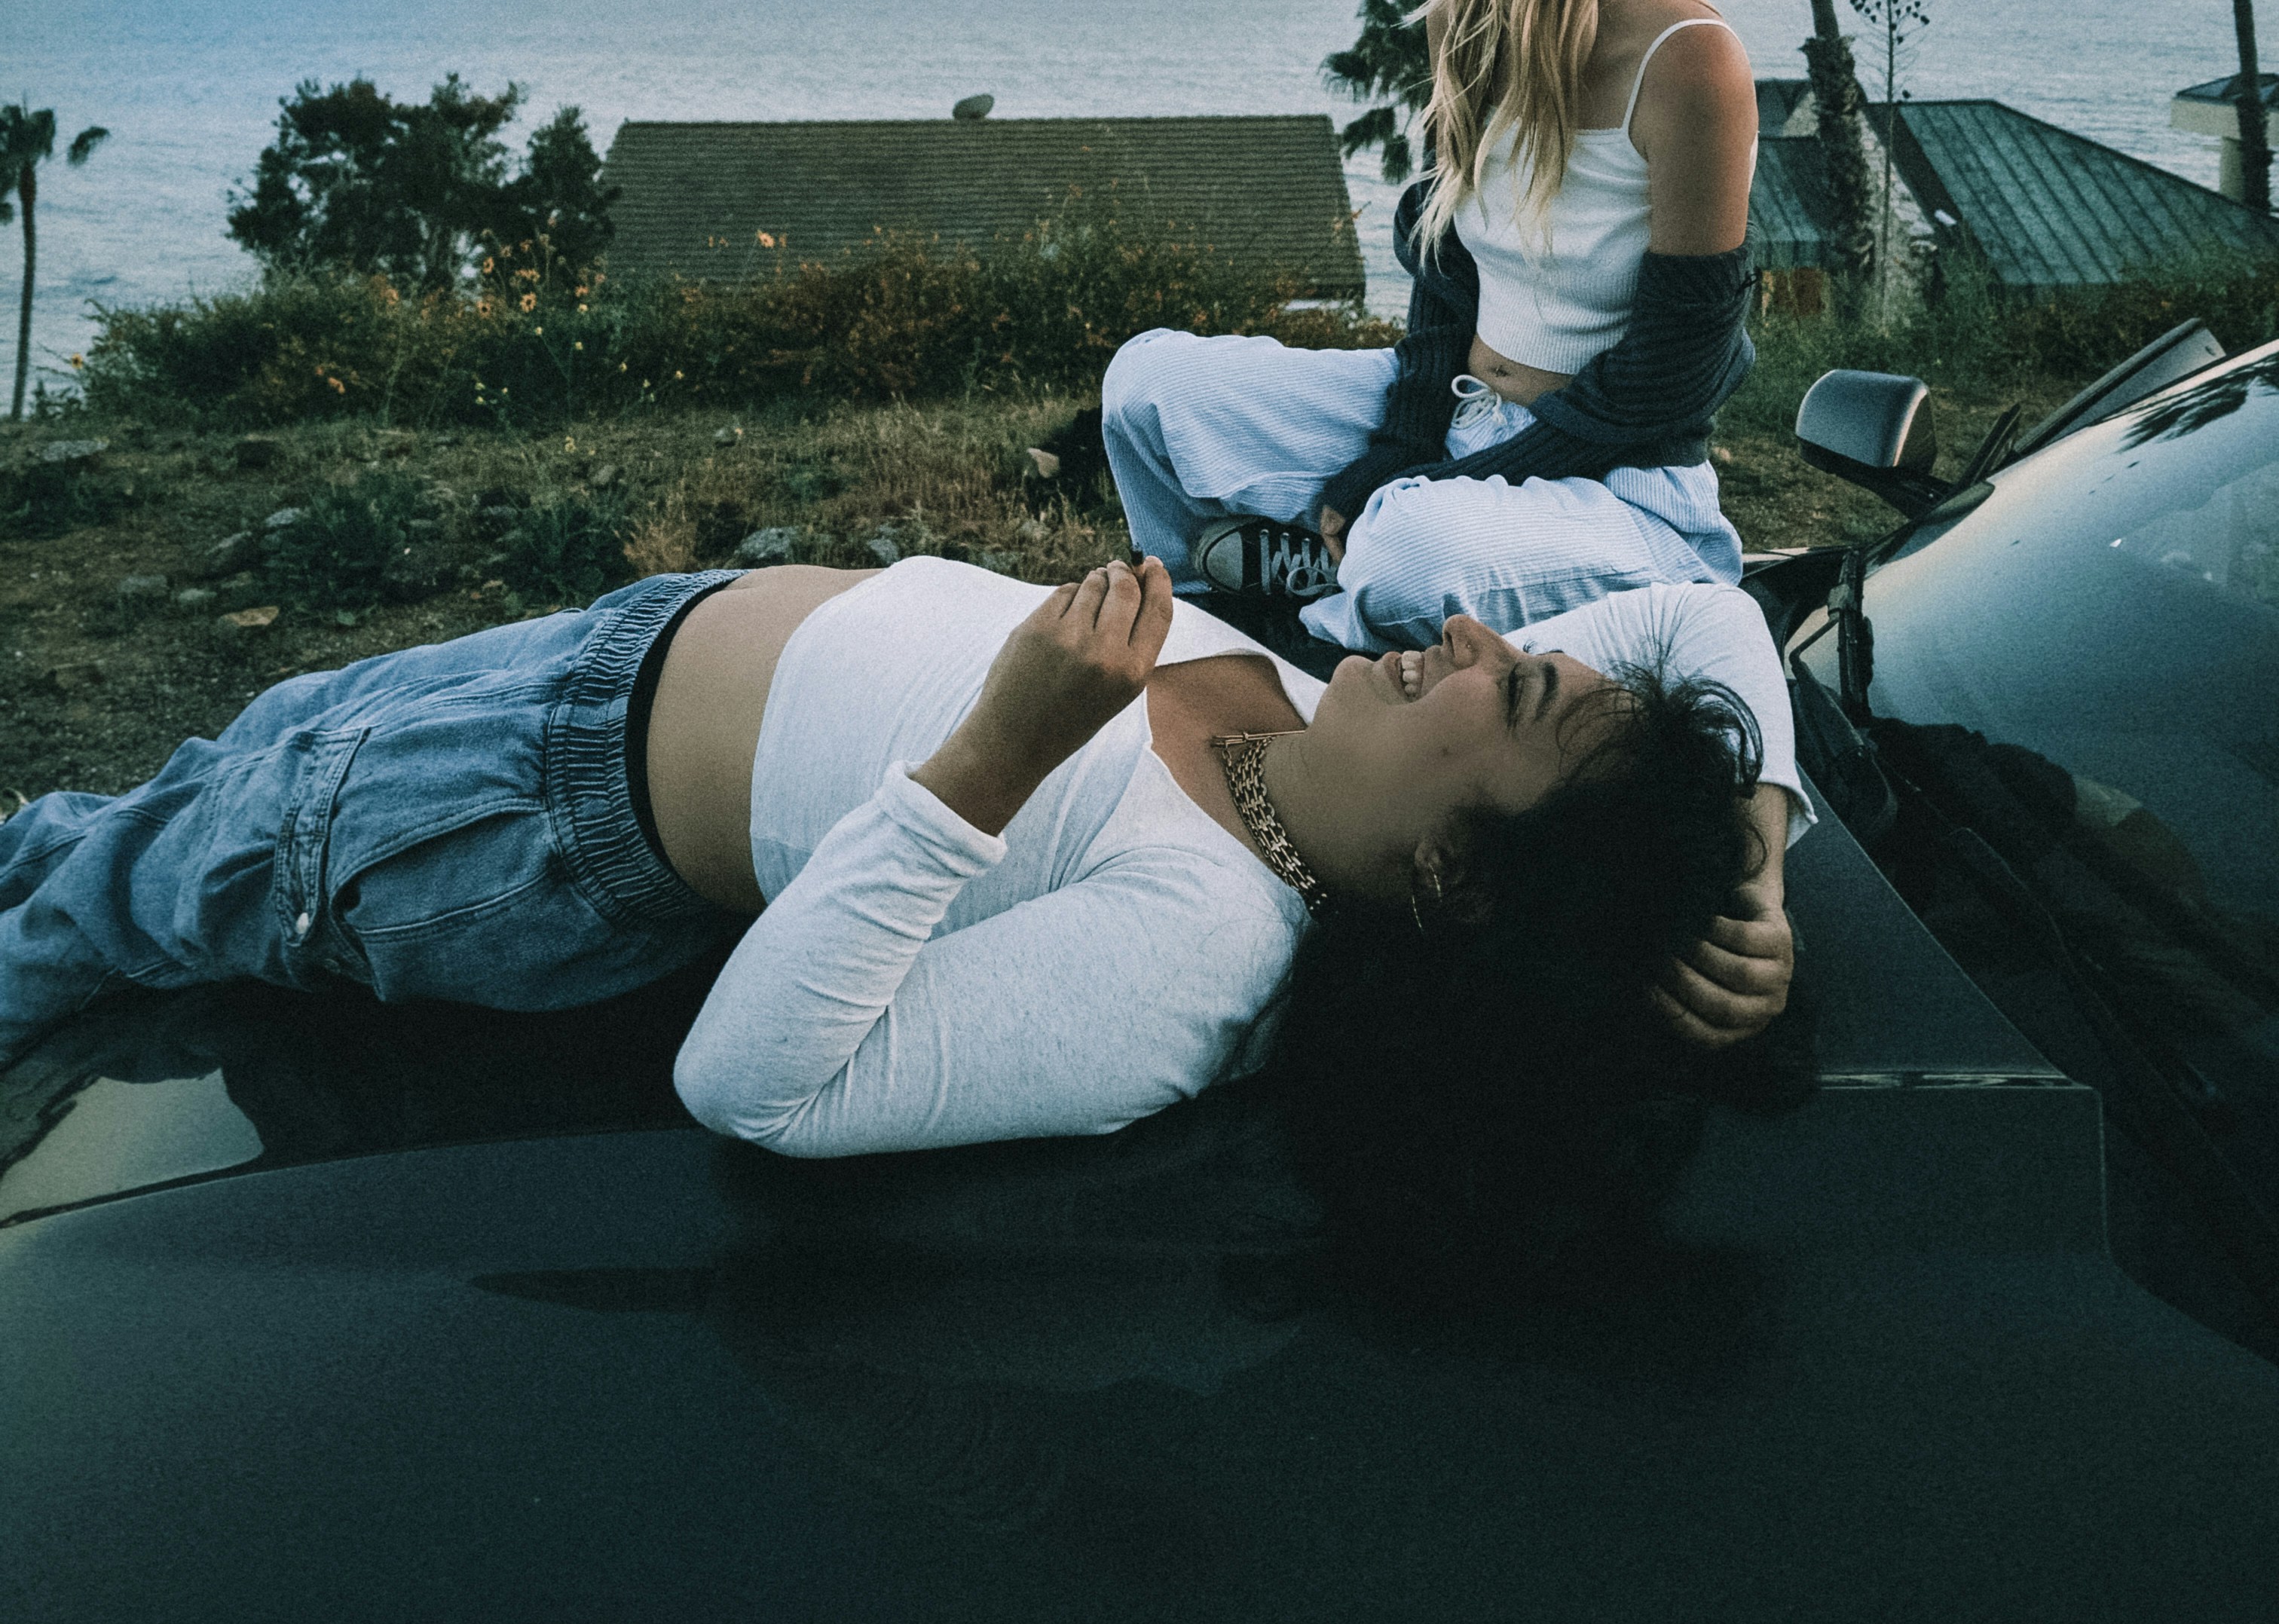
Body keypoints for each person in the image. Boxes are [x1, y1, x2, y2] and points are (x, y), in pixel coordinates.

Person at [0, 555, 1803, 1182]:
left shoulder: (1194, 954)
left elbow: (758, 1085)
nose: (1483, 632)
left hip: (515, 824)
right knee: (129, 819)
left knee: (75, 910)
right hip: (598, 661)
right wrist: (1758, 868)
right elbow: (1706, 609)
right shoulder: (1287, 730)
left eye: (1517, 694)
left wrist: (1002, 752)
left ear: (1462, 885)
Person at [1104, 0, 1759, 654]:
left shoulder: (1690, 58)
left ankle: (1306, 632)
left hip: (1621, 489)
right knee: (1148, 384)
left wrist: (1439, 486)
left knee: (1408, 544)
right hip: (1464, 418)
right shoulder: (1473, 20)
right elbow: (1448, 282)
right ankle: (1202, 603)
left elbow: (1673, 377)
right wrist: (1405, 449)